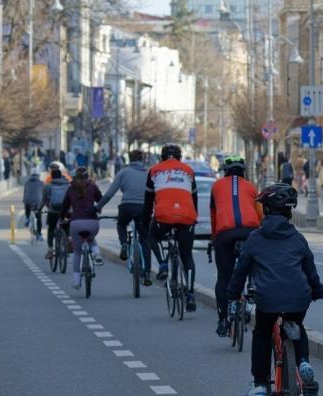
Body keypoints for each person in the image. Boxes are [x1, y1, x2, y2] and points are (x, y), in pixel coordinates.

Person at [226, 183, 323, 396]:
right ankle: (303, 362)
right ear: (289, 212)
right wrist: (317, 291)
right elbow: (310, 269)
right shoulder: (298, 238)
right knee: (297, 326)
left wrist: (232, 295)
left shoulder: (255, 238)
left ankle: (261, 384)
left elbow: (240, 271)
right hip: (299, 296)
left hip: (268, 298)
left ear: (267, 210)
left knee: (262, 332)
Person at [210, 155, 264, 336]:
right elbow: (260, 215)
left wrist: (214, 236)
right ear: (243, 171)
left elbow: (213, 215)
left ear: (225, 171)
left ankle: (222, 320)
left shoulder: (216, 186)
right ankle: (252, 285)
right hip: (250, 231)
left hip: (225, 233)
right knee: (252, 264)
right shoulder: (251, 186)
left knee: (223, 277)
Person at [144, 144, 198, 312]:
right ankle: (190, 293)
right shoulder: (188, 170)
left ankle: (162, 264)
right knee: (187, 255)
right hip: (187, 216)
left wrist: (145, 223)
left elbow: (148, 202)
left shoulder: (154, 170)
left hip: (164, 216)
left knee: (152, 236)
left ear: (161, 157)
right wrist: (192, 219)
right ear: (180, 157)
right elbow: (194, 198)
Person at [95, 149, 152, 286]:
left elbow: (109, 193)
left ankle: (124, 244)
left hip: (127, 206)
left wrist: (98, 207)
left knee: (121, 224)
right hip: (144, 208)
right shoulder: (149, 173)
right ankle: (148, 274)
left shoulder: (123, 173)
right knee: (145, 241)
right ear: (143, 159)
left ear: (129, 160)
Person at [59, 167, 104, 289]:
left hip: (76, 223)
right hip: (92, 223)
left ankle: (77, 281)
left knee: (77, 252)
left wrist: (62, 217)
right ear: (87, 176)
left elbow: (64, 207)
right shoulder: (93, 187)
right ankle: (96, 253)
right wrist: (97, 209)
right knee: (91, 238)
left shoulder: (70, 189)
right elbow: (101, 200)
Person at [42, 167, 71, 260]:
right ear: (61, 176)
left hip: (53, 212)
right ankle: (69, 239)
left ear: (52, 177)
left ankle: (50, 249)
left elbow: (43, 200)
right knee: (67, 226)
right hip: (66, 212)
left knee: (51, 229)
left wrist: (38, 209)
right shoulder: (68, 185)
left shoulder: (48, 186)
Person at [22, 172, 44, 239]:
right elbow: (43, 193)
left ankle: (27, 218)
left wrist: (24, 201)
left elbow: (25, 193)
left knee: (27, 205)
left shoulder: (27, 182)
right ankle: (39, 234)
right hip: (37, 202)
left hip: (28, 201)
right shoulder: (41, 183)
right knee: (39, 218)